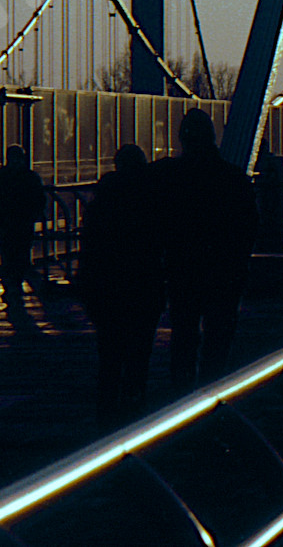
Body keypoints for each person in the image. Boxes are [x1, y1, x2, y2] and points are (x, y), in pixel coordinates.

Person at [158, 109, 259, 392]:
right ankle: (213, 396)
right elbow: (249, 226)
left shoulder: (169, 177)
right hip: (225, 274)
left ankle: (182, 399)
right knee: (218, 340)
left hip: (183, 271)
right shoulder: (233, 178)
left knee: (184, 337)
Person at [79, 144, 164, 427]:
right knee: (140, 353)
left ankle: (107, 412)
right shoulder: (152, 199)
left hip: (107, 287)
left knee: (109, 354)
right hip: (144, 284)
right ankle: (134, 406)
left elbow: (90, 247)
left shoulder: (102, 201)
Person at [0, 145, 47, 305]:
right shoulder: (30, 177)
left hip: (5, 223)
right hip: (23, 222)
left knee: (8, 255)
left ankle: (12, 287)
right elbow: (40, 199)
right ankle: (18, 284)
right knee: (21, 253)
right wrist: (32, 215)